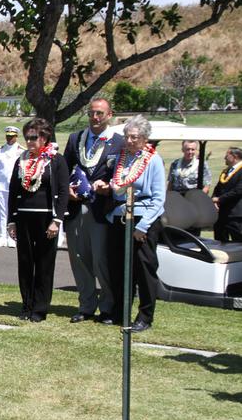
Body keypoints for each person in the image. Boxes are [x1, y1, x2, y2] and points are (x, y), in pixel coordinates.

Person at [62, 98, 123, 324]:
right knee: (79, 259)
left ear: (109, 115)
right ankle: (86, 305)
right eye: (91, 113)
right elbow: (64, 169)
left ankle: (107, 307)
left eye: (100, 113)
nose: (95, 118)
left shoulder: (119, 142)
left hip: (101, 210)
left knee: (101, 260)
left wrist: (110, 187)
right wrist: (66, 189)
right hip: (76, 208)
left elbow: (122, 174)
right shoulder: (76, 138)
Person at [104, 115, 166, 333]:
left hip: (143, 218)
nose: (129, 141)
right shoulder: (122, 157)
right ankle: (120, 312)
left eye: (134, 137)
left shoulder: (153, 160)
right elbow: (118, 186)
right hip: (120, 216)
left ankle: (145, 316)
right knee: (119, 268)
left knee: (144, 269)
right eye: (127, 137)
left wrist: (144, 226)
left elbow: (158, 199)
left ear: (145, 138)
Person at [7, 118, 69, 322]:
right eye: (27, 138)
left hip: (46, 219)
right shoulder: (21, 160)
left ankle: (39, 309)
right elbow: (13, 192)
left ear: (44, 137)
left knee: (44, 264)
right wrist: (11, 221)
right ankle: (26, 305)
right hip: (24, 218)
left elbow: (62, 192)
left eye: (34, 137)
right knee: (25, 263)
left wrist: (57, 220)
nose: (30, 142)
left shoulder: (56, 160)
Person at [0, 126, 24, 247]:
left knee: (13, 213)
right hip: (1, 186)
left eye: (12, 136)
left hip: (15, 187)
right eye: (7, 136)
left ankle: (12, 237)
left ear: (16, 137)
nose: (9, 138)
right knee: (2, 213)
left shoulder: (22, 151)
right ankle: (2, 237)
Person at [212, 147, 242, 242]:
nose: (224, 157)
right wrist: (214, 201)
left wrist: (219, 199)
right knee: (220, 241)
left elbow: (238, 191)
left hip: (235, 214)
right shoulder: (226, 171)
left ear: (234, 157)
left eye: (227, 155)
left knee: (238, 242)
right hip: (221, 213)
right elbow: (217, 188)